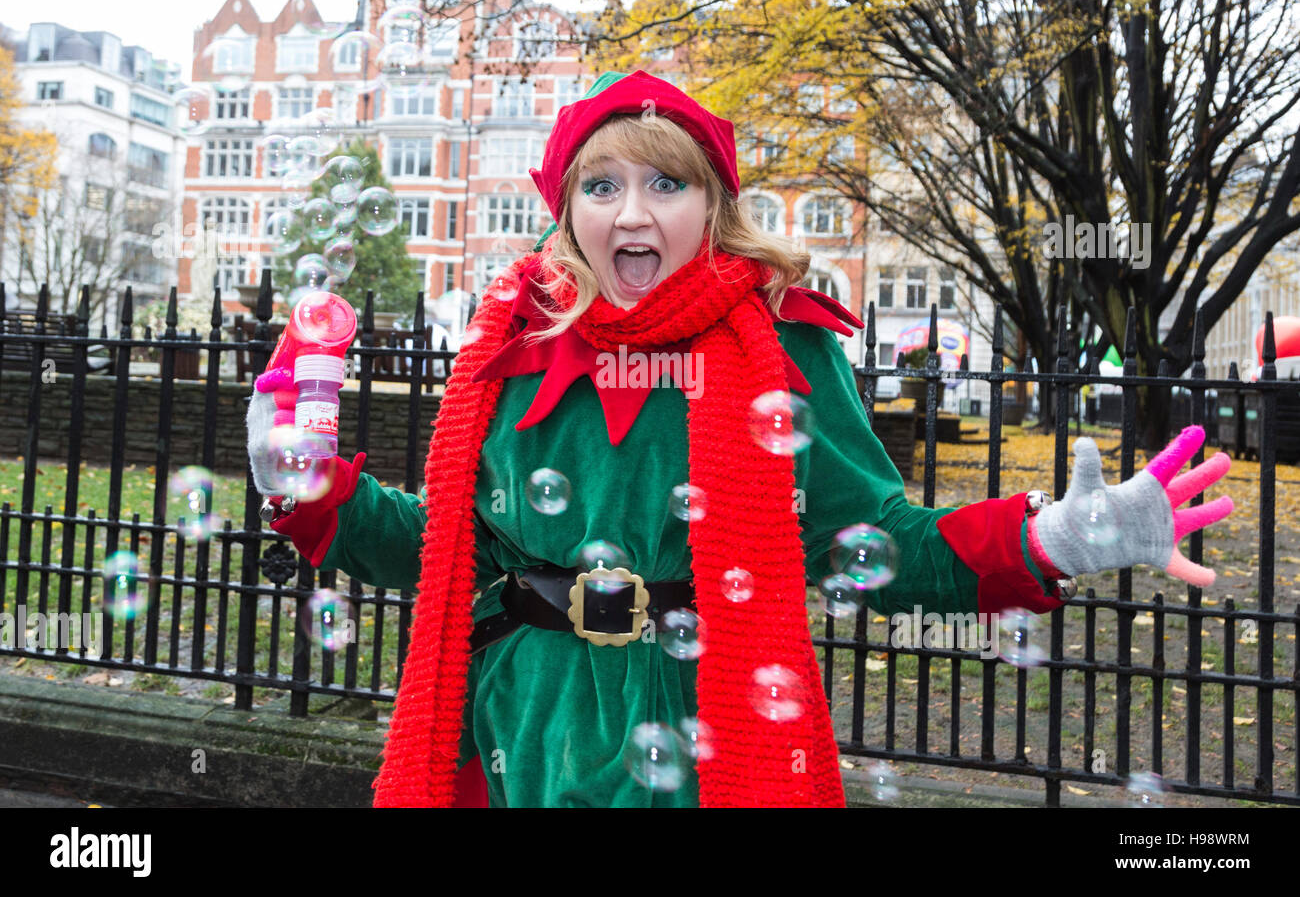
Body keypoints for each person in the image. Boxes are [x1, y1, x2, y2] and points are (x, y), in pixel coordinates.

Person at [247, 70, 1235, 808]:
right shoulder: (509, 343)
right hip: (522, 721)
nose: (631, 212)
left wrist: (1051, 538)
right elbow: (447, 553)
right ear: (567, 209)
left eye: (664, 185)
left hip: (704, 725)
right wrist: (312, 489)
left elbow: (877, 543)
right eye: (601, 186)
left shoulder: (784, 343)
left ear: (711, 205)